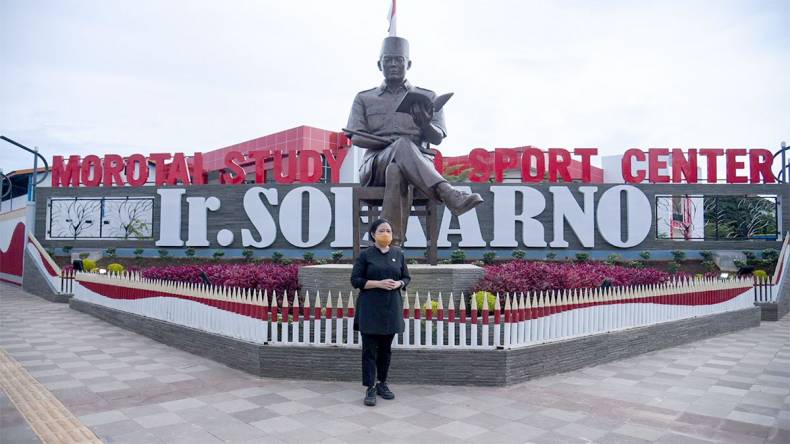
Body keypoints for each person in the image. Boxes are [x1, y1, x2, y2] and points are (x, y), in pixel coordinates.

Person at [345, 35, 483, 246]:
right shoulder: (364, 98)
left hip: (417, 173)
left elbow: (437, 138)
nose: (393, 64)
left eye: (398, 59)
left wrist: (425, 123)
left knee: (396, 170)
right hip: (374, 167)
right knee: (401, 146)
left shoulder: (426, 97)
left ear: (408, 64)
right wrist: (390, 144)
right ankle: (447, 192)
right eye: (388, 59)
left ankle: (390, 247)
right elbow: (355, 136)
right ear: (379, 64)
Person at [350, 218, 410, 406]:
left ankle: (382, 383)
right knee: (369, 351)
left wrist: (399, 283)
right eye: (382, 230)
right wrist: (378, 283)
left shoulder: (398, 254)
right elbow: (356, 280)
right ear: (373, 234)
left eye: (389, 230)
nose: (386, 234)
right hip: (370, 307)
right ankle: (370, 387)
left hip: (391, 307)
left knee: (385, 350)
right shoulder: (365, 255)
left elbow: (406, 277)